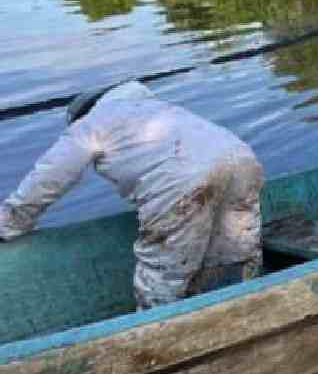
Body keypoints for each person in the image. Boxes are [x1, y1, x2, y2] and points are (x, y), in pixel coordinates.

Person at [0, 81, 264, 310]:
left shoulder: (92, 124)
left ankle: (158, 343)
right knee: (235, 253)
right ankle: (246, 309)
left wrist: (10, 223)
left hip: (179, 182)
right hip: (242, 160)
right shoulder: (158, 108)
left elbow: (49, 178)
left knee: (162, 277)